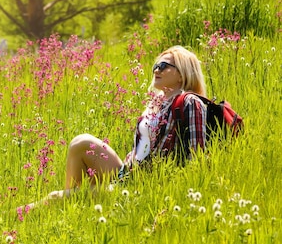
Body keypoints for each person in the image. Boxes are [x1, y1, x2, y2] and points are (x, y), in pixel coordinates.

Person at [20, 45, 207, 210]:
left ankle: (24, 213)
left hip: (146, 185)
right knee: (81, 142)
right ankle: (73, 206)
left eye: (164, 66)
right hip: (128, 174)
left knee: (54, 197)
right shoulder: (156, 102)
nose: (156, 70)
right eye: (155, 66)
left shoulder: (190, 102)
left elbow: (197, 156)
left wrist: (174, 194)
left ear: (182, 73)